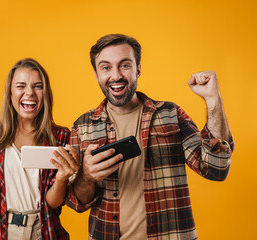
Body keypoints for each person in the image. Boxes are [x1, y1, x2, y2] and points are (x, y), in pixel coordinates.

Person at [66, 34, 234, 239]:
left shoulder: (171, 114)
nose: (116, 75)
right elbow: (77, 202)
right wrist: (87, 175)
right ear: (96, 74)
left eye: (124, 65)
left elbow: (215, 169)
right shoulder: (82, 127)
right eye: (106, 67)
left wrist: (212, 99)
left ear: (138, 69)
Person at [0, 58, 79, 240]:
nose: (29, 93)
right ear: (10, 93)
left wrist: (62, 178)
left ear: (46, 93)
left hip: (42, 230)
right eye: (21, 86)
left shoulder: (60, 137)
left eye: (38, 86)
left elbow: (53, 203)